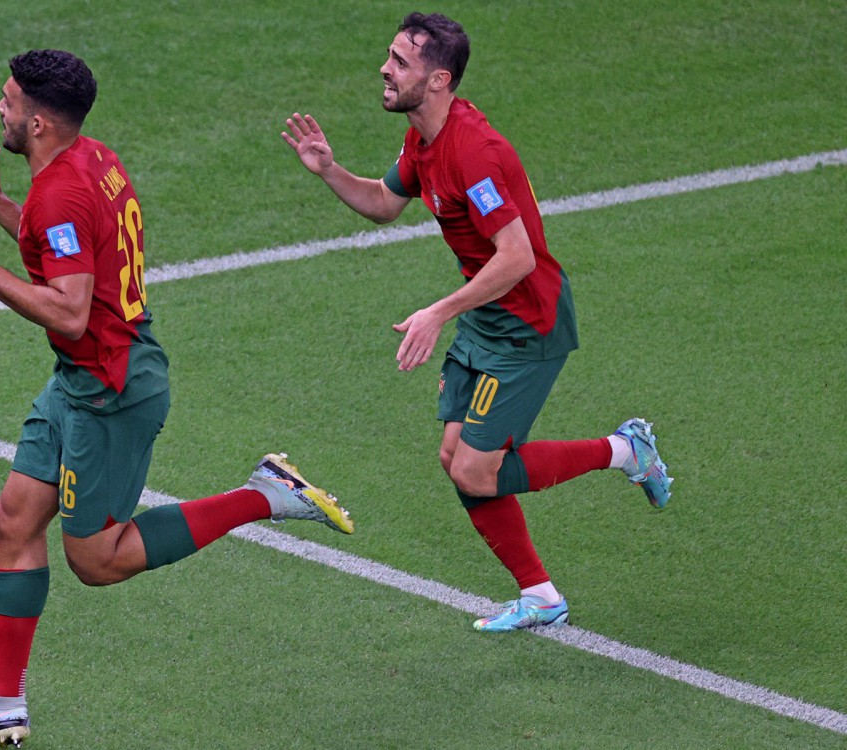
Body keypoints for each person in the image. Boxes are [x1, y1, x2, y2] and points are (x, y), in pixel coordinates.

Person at [0, 49, 354, 749]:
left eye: (7, 102)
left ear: (38, 118)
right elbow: (71, 253)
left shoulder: (62, 191)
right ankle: (0, 703)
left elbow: (70, 311)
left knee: (97, 560)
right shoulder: (91, 159)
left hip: (111, 390)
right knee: (14, 518)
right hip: (82, 379)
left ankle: (264, 495)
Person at [281, 13, 671, 633]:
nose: (384, 68)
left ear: (438, 80)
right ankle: (540, 595)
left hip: (526, 324)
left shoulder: (475, 153)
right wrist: (329, 169)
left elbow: (516, 257)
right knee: (454, 455)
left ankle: (624, 450)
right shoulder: (423, 137)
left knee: (474, 468)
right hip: (488, 315)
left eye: (400, 63)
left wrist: (438, 311)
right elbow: (384, 203)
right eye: (389, 55)